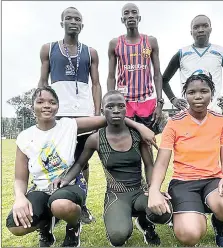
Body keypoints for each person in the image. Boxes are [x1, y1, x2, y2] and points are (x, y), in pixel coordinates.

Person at [6, 87, 157, 247]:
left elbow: (112, 116)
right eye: (40, 101)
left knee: (60, 205)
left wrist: (140, 127)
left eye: (52, 102)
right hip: (41, 188)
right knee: (16, 226)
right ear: (32, 107)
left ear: (58, 106)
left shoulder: (69, 125)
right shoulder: (24, 137)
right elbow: (20, 177)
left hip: (69, 184)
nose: (47, 105)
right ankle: (45, 226)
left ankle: (73, 226)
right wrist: (20, 198)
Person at [52, 90, 172, 247]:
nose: (116, 110)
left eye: (121, 106)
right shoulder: (95, 139)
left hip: (139, 190)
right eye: (110, 106)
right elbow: (80, 163)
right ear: (102, 111)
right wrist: (66, 179)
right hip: (116, 195)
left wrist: (153, 190)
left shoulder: (137, 135)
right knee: (118, 236)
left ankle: (145, 222)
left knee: (164, 213)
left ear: (126, 109)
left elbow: (149, 165)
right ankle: (120, 217)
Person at [148, 70, 223, 247]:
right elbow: (162, 162)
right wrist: (154, 189)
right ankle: (188, 213)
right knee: (190, 235)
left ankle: (219, 223)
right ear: (185, 95)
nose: (198, 96)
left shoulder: (221, 121)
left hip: (212, 181)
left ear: (212, 94)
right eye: (192, 92)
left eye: (204, 91)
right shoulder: (175, 122)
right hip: (183, 182)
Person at [38, 6, 102, 224]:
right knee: (57, 160)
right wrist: (41, 106)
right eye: (68, 18)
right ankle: (53, 201)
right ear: (62, 22)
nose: (73, 21)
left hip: (84, 114)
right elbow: (43, 82)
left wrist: (97, 111)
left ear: (82, 25)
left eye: (77, 19)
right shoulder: (48, 49)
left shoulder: (90, 51)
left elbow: (96, 83)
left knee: (83, 161)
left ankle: (81, 204)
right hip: (59, 114)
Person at [107, 3, 165, 135]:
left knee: (147, 141)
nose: (130, 16)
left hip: (147, 101)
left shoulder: (150, 41)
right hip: (124, 101)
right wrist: (110, 102)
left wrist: (159, 103)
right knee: (126, 141)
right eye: (126, 13)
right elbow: (111, 76)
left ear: (139, 18)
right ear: (122, 19)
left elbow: (157, 74)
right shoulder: (115, 44)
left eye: (134, 12)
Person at [162, 14, 223, 113]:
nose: (201, 30)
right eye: (196, 27)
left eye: (205, 26)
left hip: (213, 111)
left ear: (210, 29)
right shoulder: (181, 53)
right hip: (188, 113)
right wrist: (173, 99)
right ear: (191, 32)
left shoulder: (221, 52)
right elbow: (164, 80)